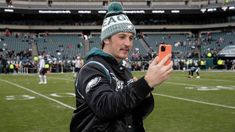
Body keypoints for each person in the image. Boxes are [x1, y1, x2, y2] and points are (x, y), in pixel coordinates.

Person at [70, 2, 173, 132]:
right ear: (106, 39)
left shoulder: (123, 70)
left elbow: (138, 114)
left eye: (131, 38)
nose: (128, 43)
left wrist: (145, 94)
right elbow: (104, 107)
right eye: (122, 37)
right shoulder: (92, 68)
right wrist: (146, 83)